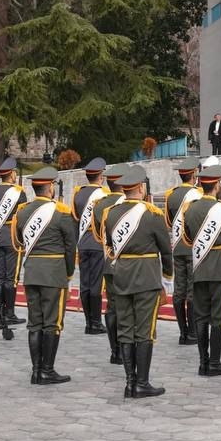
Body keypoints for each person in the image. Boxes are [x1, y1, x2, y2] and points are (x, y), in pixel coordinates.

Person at [102, 165, 172, 399]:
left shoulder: (111, 213)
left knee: (125, 330)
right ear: (141, 188)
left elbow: (111, 246)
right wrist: (168, 278)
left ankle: (129, 382)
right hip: (146, 278)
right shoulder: (152, 214)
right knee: (144, 331)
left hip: (121, 276)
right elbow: (166, 250)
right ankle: (141, 382)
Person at [11, 167, 76, 385]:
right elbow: (70, 248)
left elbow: (19, 241)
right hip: (54, 273)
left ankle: (36, 370)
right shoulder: (61, 212)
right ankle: (47, 370)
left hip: (32, 272)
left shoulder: (22, 211)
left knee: (34, 322)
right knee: (52, 323)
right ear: (49, 187)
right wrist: (68, 274)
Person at [180, 164, 221, 378]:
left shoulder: (190, 208)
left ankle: (203, 362)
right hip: (220, 267)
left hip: (199, 266)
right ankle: (214, 362)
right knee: (218, 317)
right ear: (217, 185)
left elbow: (187, 238)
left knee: (201, 316)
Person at [92, 164, 129, 364]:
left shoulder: (100, 205)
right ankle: (126, 349)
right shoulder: (131, 204)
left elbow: (99, 235)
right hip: (130, 264)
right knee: (128, 307)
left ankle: (115, 352)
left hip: (110, 261)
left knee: (112, 307)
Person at [164, 158, 202, 346]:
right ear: (194, 174)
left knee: (179, 290)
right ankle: (193, 332)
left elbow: (169, 222)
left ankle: (183, 332)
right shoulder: (198, 194)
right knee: (191, 290)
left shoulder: (171, 195)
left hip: (178, 246)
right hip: (194, 246)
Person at [0, 157, 27, 333]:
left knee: (0, 276)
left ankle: (0, 313)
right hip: (12, 237)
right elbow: (23, 216)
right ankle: (10, 313)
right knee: (11, 277)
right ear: (12, 174)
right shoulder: (18, 192)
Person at [73, 157, 108, 336]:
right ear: (101, 176)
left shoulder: (78, 194)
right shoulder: (104, 195)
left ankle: (88, 323)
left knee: (85, 283)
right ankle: (95, 323)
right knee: (95, 284)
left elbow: (75, 219)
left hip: (82, 243)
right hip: (97, 242)